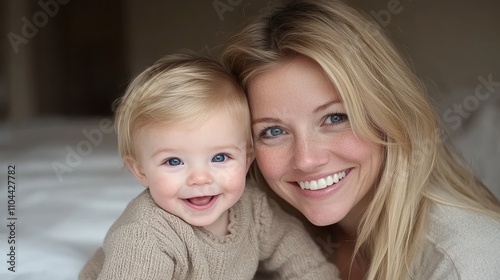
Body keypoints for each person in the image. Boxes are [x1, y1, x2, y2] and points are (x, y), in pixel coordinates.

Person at [222, 0, 500, 279]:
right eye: (273, 131)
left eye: (335, 118)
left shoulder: (466, 262)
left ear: (389, 115)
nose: (306, 160)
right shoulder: (268, 240)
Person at [78, 51, 339, 280]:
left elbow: (303, 261)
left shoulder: (253, 209)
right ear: (140, 171)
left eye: (219, 158)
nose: (200, 179)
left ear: (247, 159)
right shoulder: (144, 237)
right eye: (174, 161)